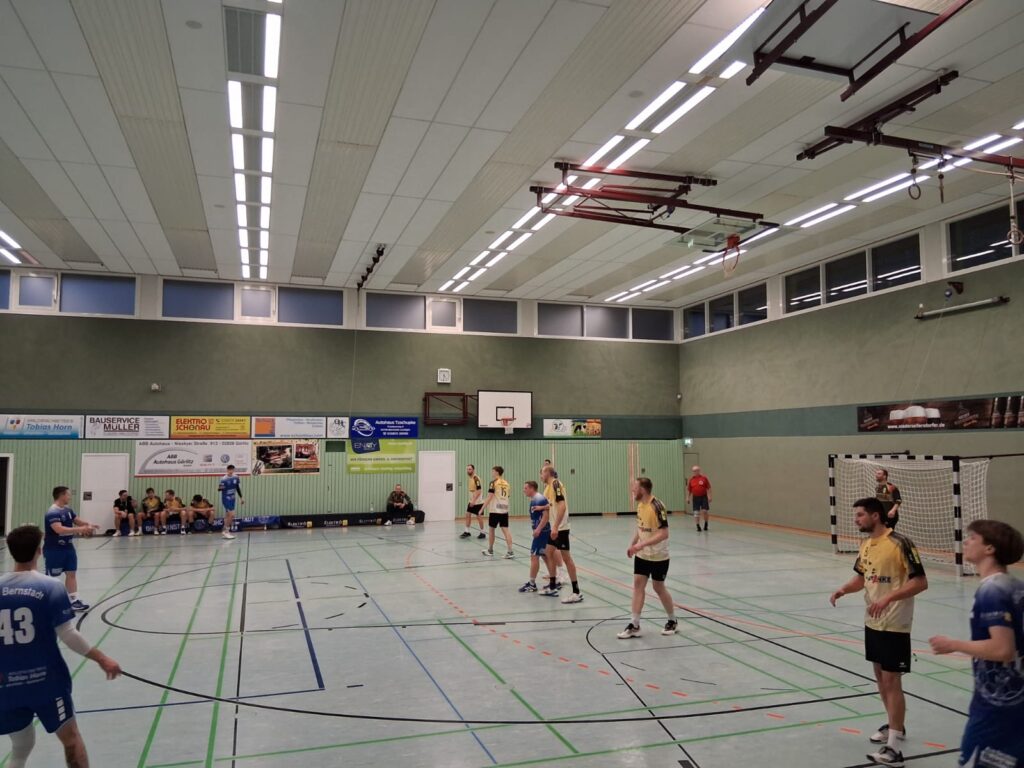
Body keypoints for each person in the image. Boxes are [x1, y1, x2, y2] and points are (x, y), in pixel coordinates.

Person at [0, 525, 121, 768]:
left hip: (6, 683)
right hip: (46, 682)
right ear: (40, 551)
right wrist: (102, 658)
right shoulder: (50, 586)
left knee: (21, 744)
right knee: (70, 738)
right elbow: (68, 634)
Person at [830, 497, 928, 767]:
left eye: (860, 515)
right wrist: (843, 589)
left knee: (891, 680)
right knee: (880, 678)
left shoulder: (900, 543)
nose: (856, 519)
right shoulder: (866, 545)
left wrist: (888, 598)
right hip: (872, 621)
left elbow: (921, 582)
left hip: (895, 622)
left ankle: (893, 750)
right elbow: (862, 577)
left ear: (876, 515)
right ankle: (896, 727)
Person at [929, 520, 1024, 768]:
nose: (966, 542)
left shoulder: (991, 591)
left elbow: (1003, 649)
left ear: (989, 548)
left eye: (973, 538)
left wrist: (953, 644)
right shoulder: (1016, 586)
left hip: (996, 707)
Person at [618, 477, 677, 638]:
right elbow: (641, 527)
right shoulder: (640, 505)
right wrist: (633, 544)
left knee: (658, 587)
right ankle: (634, 624)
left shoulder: (657, 506)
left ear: (643, 489)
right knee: (638, 585)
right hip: (642, 555)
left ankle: (672, 620)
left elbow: (664, 533)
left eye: (635, 487)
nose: (632, 490)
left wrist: (641, 545)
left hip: (659, 556)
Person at [44, 486, 97, 612]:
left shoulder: (68, 510)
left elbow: (77, 521)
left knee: (71, 573)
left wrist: (89, 525)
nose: (70, 497)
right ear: (61, 495)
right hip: (54, 549)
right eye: (68, 494)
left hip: (68, 548)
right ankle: (47, 601)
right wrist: (80, 530)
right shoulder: (52, 512)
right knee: (52, 577)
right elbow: (59, 529)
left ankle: (74, 600)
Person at [543, 465, 582, 603]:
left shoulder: (556, 484)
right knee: (548, 552)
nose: (541, 475)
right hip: (555, 528)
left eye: (542, 473)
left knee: (566, 558)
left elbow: (562, 506)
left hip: (561, 528)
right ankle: (553, 586)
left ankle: (576, 592)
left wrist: (555, 526)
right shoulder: (549, 487)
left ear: (548, 473)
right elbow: (552, 505)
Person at [519, 481, 555, 593]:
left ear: (532, 488)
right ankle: (553, 581)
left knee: (534, 556)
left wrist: (538, 529)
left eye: (525, 488)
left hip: (542, 532)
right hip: (542, 532)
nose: (524, 490)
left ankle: (532, 584)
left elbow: (546, 516)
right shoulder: (534, 499)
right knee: (545, 556)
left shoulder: (539, 499)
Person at [482, 466, 513, 558]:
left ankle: (490, 550)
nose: (492, 473)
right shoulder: (507, 483)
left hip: (495, 510)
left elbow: (490, 496)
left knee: (491, 529)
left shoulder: (493, 483)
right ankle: (510, 551)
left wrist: (482, 508)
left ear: (497, 472)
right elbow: (507, 496)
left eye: (493, 471)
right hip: (504, 510)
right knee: (506, 530)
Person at [460, 464, 486, 540]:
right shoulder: (470, 478)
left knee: (479, 517)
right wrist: (471, 501)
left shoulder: (476, 478)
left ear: (473, 470)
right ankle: (467, 531)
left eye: (470, 469)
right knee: (468, 514)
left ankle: (482, 532)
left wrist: (474, 501)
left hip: (478, 502)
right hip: (471, 501)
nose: (468, 471)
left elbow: (479, 491)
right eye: (467, 469)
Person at [218, 465, 243, 540]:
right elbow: (219, 489)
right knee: (232, 515)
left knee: (227, 515)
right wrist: (221, 487)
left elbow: (237, 488)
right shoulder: (224, 479)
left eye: (232, 469)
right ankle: (227, 531)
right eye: (229, 470)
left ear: (233, 470)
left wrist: (241, 498)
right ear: (227, 470)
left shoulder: (236, 477)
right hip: (226, 499)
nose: (231, 471)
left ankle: (224, 530)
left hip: (232, 499)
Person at [687, 465, 712, 532]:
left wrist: (709, 496)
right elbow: (689, 490)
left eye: (696, 471)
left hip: (703, 497)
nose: (695, 472)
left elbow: (708, 488)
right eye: (693, 471)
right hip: (695, 498)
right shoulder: (691, 480)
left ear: (699, 471)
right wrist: (688, 498)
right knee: (696, 512)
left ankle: (706, 523)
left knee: (705, 511)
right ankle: (698, 526)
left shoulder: (704, 478)